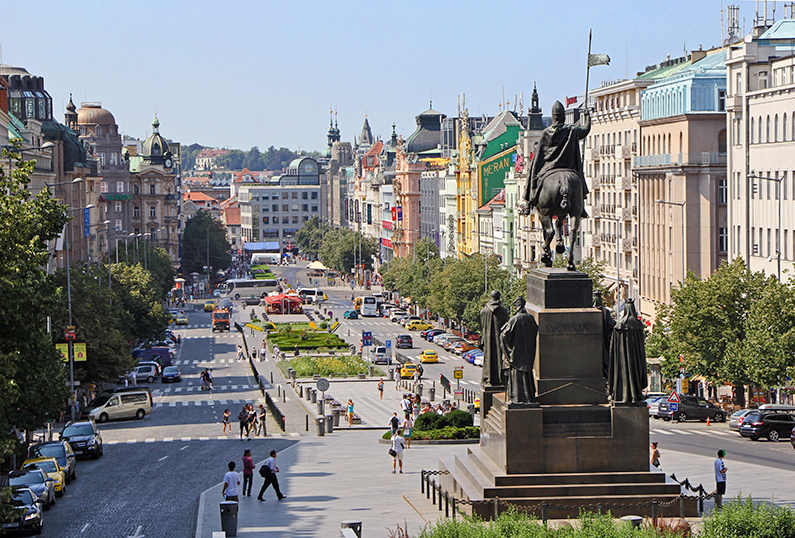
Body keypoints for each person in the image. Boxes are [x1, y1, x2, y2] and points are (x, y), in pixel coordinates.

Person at [524, 100, 590, 218]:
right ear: (564, 116)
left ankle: (529, 201)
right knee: (579, 177)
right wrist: (587, 116)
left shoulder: (546, 132)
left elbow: (540, 155)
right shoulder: (572, 130)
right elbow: (585, 130)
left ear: (553, 117)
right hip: (568, 167)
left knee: (532, 171)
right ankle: (582, 202)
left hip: (549, 168)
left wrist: (536, 166)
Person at [480, 290, 510, 387]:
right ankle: (499, 378)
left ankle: (487, 378)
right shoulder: (503, 311)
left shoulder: (484, 311)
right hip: (499, 340)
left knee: (488, 358)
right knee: (499, 358)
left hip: (487, 340)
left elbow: (483, 327)